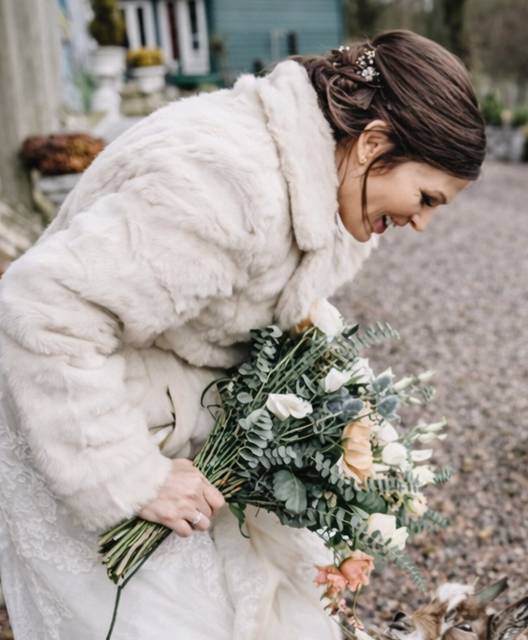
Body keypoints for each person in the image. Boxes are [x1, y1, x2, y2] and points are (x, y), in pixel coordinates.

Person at [0, 30, 485, 639]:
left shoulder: (333, 194)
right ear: (372, 144)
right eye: (426, 197)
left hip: (181, 428)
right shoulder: (225, 185)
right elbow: (46, 310)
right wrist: (129, 479)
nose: (422, 223)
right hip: (79, 425)